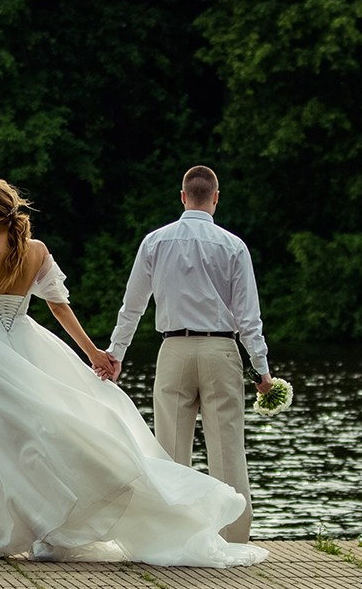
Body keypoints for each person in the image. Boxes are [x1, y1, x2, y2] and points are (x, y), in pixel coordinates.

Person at [0, 179, 264, 567]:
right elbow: (59, 308)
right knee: (42, 435)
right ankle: (43, 527)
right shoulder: (35, 251)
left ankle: (5, 534)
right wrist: (94, 354)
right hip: (24, 343)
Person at [104, 165, 272, 543]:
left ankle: (173, 538)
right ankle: (233, 540)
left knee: (170, 452)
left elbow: (132, 307)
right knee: (227, 452)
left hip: (174, 349)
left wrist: (117, 354)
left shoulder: (154, 242)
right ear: (215, 197)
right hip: (220, 349)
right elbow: (248, 318)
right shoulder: (233, 246)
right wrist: (261, 370)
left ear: (182, 197)